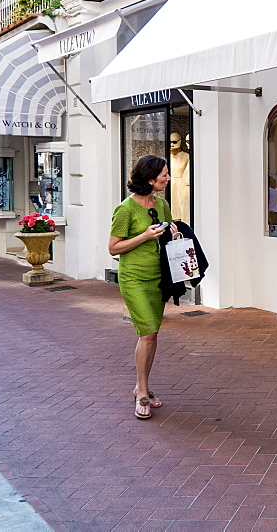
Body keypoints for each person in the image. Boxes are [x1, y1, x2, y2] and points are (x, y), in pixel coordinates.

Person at [108, 155, 179, 420]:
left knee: (153, 334)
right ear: (150, 179)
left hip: (158, 277)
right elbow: (113, 248)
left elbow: (168, 238)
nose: (168, 178)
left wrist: (174, 233)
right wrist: (144, 236)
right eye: (164, 174)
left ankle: (142, 385)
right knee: (147, 333)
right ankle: (141, 392)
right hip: (134, 278)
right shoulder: (125, 209)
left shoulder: (162, 204)